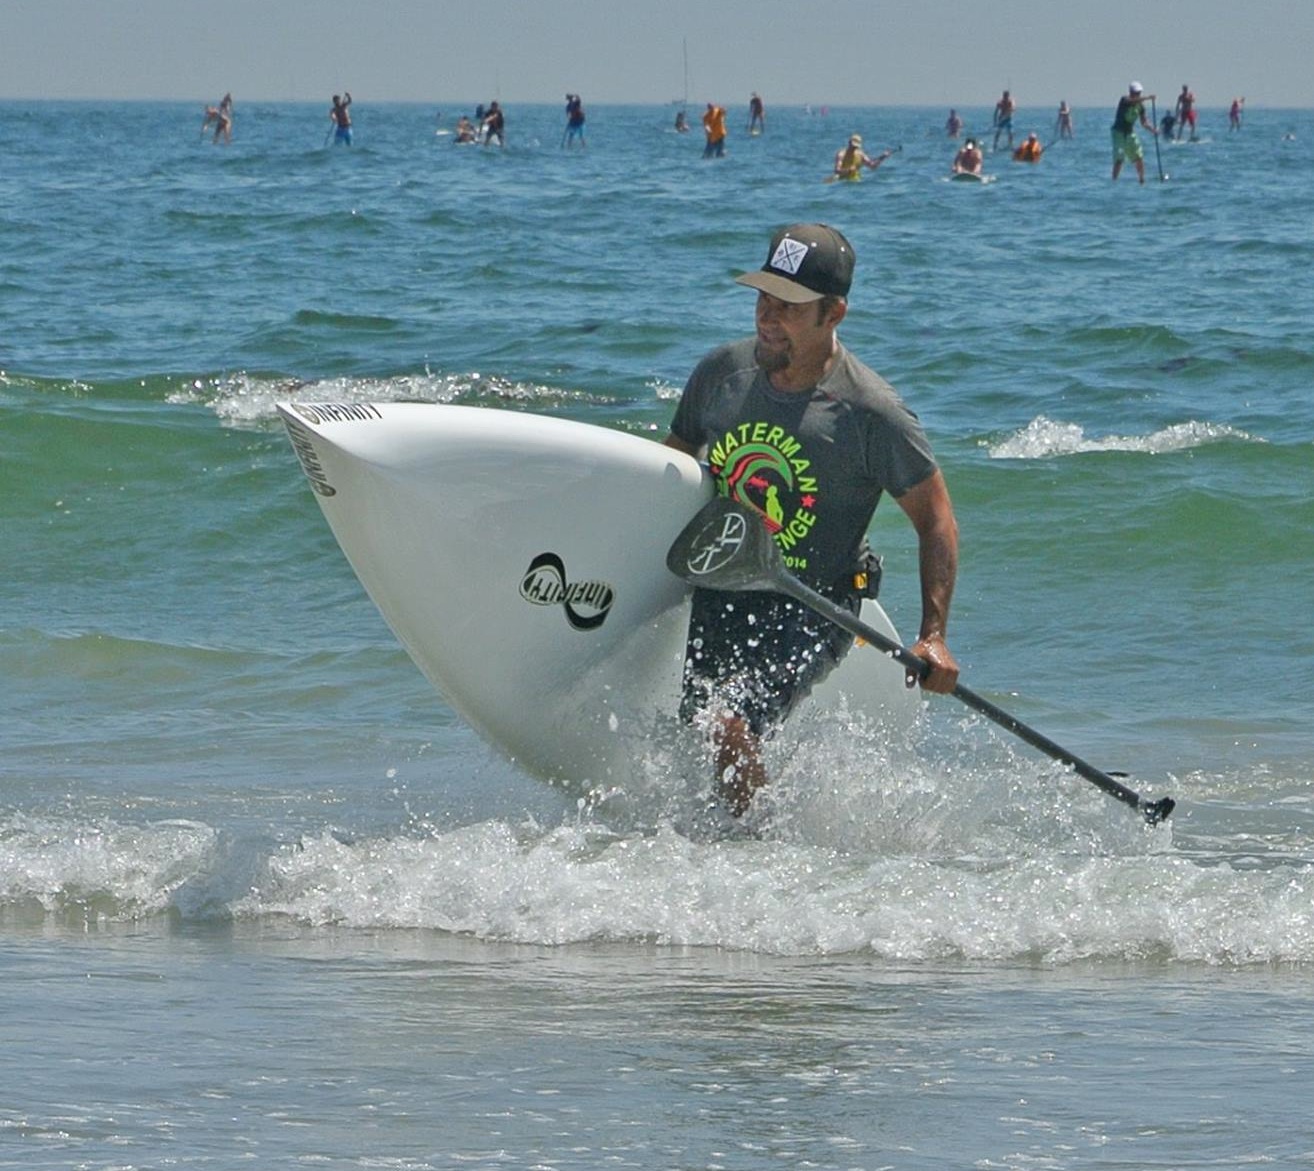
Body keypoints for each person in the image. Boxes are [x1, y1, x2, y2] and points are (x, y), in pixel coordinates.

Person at [663, 223, 961, 816]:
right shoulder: (720, 374)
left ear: (834, 313)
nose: (767, 319)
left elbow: (937, 521)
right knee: (699, 725)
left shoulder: (870, 412)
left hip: (816, 602)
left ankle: (753, 858)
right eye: (762, 300)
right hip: (723, 585)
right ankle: (734, 843)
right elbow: (669, 466)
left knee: (727, 724)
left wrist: (933, 635)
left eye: (789, 308)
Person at [1111, 81, 1156, 183]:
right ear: (1130, 92)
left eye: (1139, 93)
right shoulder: (1124, 100)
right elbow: (1132, 101)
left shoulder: (1141, 107)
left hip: (1130, 133)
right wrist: (1148, 98)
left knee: (1138, 156)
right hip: (1118, 132)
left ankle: (1141, 180)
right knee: (1119, 159)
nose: (1137, 95)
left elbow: (1144, 122)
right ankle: (1114, 181)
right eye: (1135, 93)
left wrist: (1153, 130)